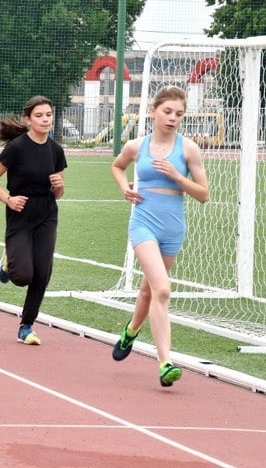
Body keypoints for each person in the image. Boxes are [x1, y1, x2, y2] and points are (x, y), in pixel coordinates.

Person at [109, 85, 209, 387]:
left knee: (148, 291)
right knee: (162, 289)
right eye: (167, 112)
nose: (172, 118)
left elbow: (204, 194)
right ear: (154, 111)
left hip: (173, 226)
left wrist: (178, 177)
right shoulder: (137, 146)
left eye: (179, 114)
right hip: (144, 222)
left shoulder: (189, 149)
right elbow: (117, 166)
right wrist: (125, 187)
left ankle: (130, 331)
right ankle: (165, 362)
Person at [0, 95, 67, 345]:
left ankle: (26, 325)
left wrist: (59, 186)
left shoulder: (56, 150)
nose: (45, 120)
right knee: (23, 276)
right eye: (39, 116)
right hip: (20, 212)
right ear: (28, 120)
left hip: (47, 214)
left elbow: (58, 193)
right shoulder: (17, 147)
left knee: (43, 273)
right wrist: (8, 199)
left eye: (48, 115)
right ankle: (8, 264)